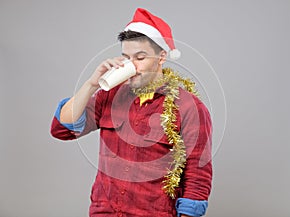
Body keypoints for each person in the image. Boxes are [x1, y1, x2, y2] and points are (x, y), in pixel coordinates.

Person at [51, 8, 212, 217]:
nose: (132, 66)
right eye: (126, 57)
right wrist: (92, 83)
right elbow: (62, 130)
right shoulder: (109, 96)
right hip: (105, 212)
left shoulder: (189, 107)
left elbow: (198, 174)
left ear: (161, 56)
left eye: (140, 57)